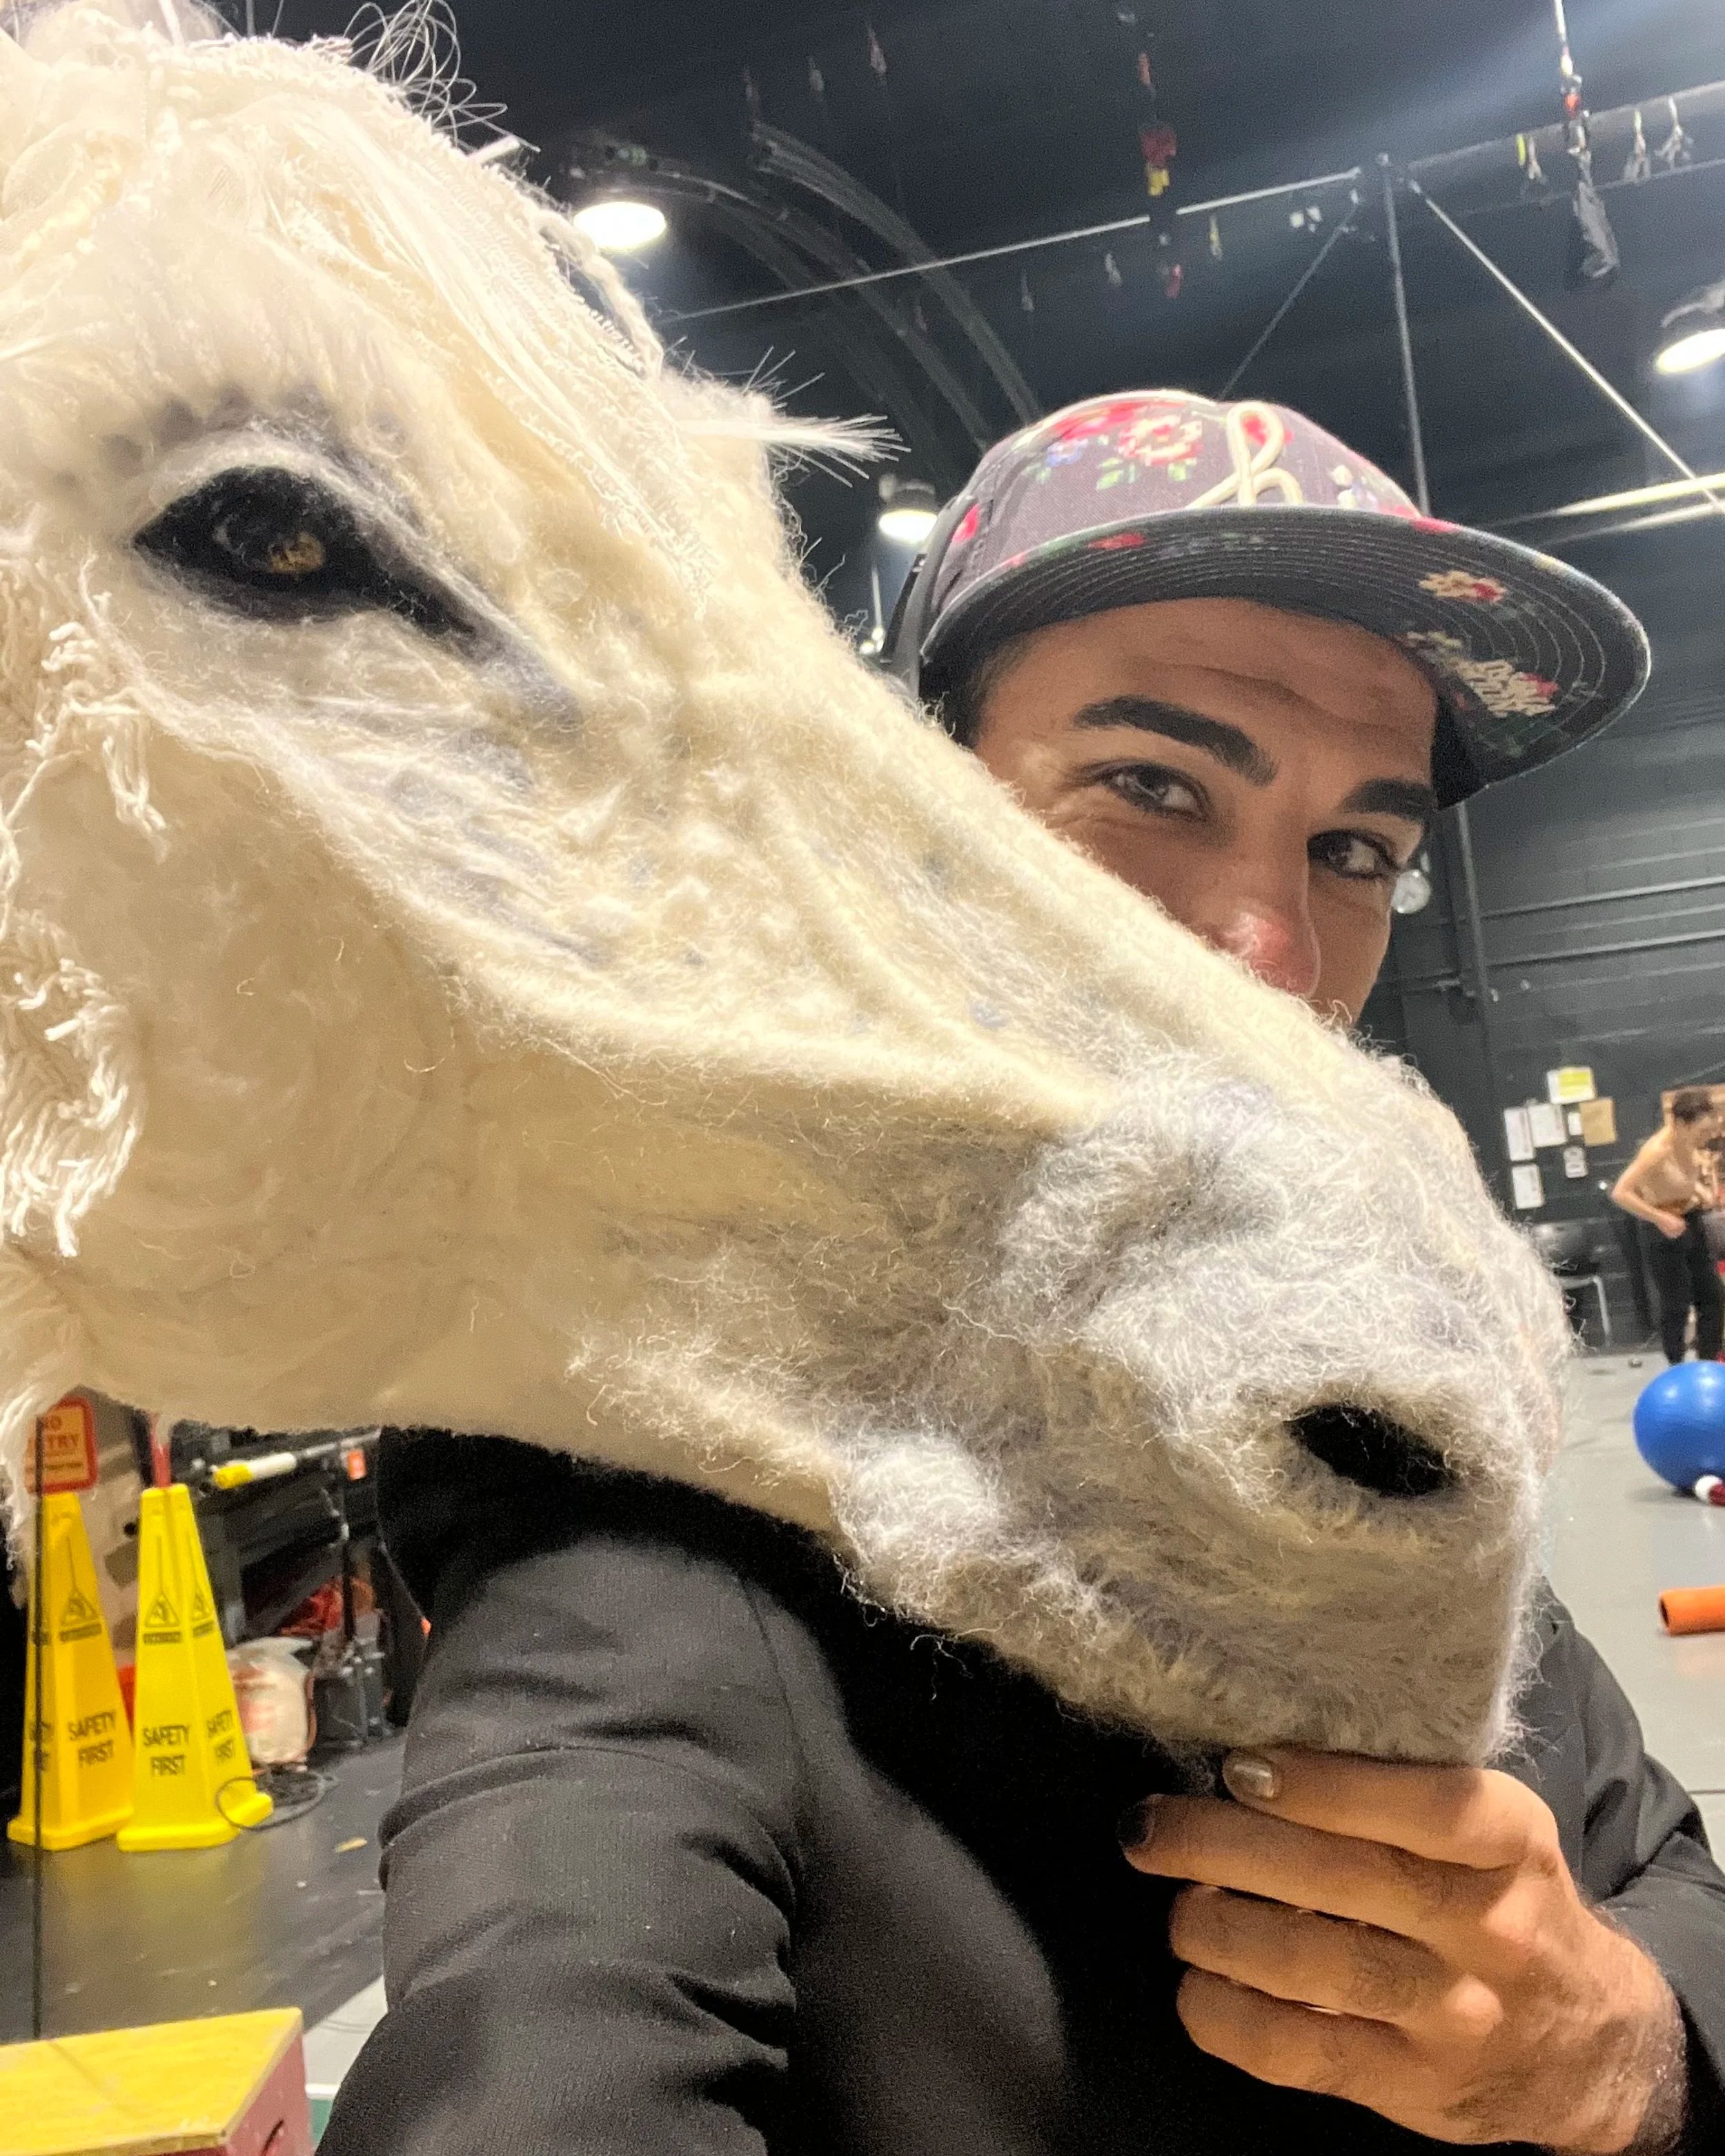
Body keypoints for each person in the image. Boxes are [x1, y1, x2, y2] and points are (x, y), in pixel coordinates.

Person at [324, 393, 1724, 2156]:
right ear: (911, 825)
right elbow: (543, 2016)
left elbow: (1655, 1863)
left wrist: (1627, 2045)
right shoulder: (671, 1473)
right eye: (1151, 785)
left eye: (1354, 849)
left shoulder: (1385, 1376)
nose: (1270, 950)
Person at [1612, 1090, 1725, 1364]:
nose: (1708, 1137)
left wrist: (1699, 1192)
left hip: (1690, 1218)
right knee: (1677, 1303)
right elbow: (1621, 1193)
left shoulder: (1688, 1142)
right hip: (1662, 1227)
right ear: (1682, 1124)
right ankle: (1676, 1366)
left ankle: (1707, 1365)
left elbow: (1683, 1177)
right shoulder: (1656, 1151)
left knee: (1713, 1296)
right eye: (1703, 1130)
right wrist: (1659, 1218)